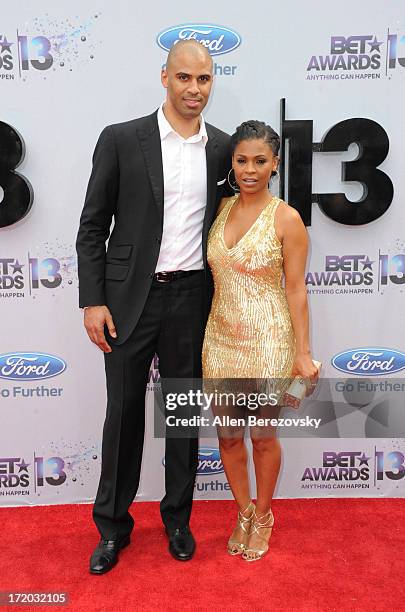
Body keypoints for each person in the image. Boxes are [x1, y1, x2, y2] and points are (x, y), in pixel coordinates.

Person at [76, 39, 231, 573]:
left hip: (192, 297)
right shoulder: (122, 139)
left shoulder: (223, 148)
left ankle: (178, 520)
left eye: (204, 80)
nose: (194, 89)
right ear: (164, 76)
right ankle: (113, 528)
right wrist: (93, 300)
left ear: (213, 82)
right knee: (123, 415)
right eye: (184, 78)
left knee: (183, 412)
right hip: (126, 300)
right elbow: (92, 226)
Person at [202, 120, 319, 561]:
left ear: (275, 164)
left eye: (260, 161)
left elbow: (296, 289)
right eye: (242, 160)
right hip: (220, 338)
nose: (250, 169)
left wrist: (302, 354)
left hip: (269, 340)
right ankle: (243, 512)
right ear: (232, 163)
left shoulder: (287, 218)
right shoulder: (219, 209)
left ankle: (265, 515)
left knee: (262, 436)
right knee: (228, 436)